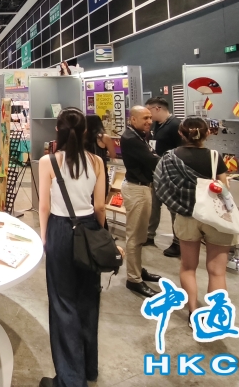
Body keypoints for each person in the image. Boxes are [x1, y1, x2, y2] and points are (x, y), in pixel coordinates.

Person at [39, 108, 108, 387]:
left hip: (60, 228)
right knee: (88, 300)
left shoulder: (48, 161)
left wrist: (44, 238)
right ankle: (89, 369)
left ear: (58, 130)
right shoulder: (97, 161)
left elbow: (44, 206)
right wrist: (100, 235)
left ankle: (69, 379)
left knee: (62, 302)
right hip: (89, 227)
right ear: (85, 131)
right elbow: (100, 206)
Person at [153, 116, 234, 324]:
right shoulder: (215, 157)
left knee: (188, 267)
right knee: (217, 272)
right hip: (215, 218)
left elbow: (161, 185)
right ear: (207, 133)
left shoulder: (170, 157)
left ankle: (193, 313)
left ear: (181, 133)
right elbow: (225, 189)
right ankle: (215, 317)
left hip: (186, 216)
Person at [120, 106, 163, 297]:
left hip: (142, 187)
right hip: (136, 189)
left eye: (150, 118)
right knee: (135, 236)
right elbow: (153, 160)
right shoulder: (131, 138)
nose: (149, 121)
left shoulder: (139, 135)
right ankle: (133, 279)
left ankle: (137, 269)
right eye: (145, 118)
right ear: (133, 119)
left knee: (140, 235)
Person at [146, 97, 183, 257]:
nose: (148, 116)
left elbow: (181, 149)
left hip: (171, 173)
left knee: (173, 208)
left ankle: (178, 242)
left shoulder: (175, 125)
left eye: (149, 111)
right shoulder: (156, 125)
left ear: (157, 108)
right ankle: (149, 235)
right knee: (154, 205)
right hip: (156, 172)